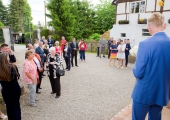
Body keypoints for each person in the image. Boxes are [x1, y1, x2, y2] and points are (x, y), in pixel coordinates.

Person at [131, 13, 170, 120]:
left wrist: (136, 63)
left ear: (148, 26)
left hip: (144, 93)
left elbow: (138, 72)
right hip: (161, 92)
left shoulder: (145, 44)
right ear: (164, 25)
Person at [0, 53, 21, 120]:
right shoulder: (13, 66)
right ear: (6, 58)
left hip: (6, 90)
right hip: (15, 89)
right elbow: (18, 76)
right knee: (16, 106)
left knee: (9, 107)